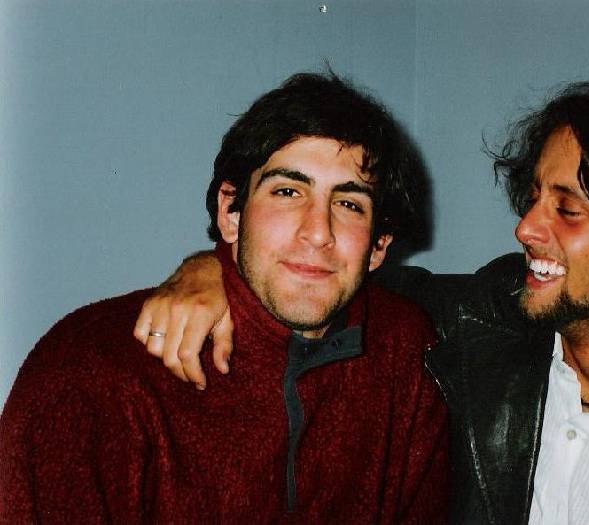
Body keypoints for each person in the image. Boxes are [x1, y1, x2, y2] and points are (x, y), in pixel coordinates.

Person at [135, 79, 589, 524]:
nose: (526, 228)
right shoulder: (473, 325)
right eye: (532, 198)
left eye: (568, 209)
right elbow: (323, 280)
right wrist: (211, 267)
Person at [0, 72, 449, 523]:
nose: (318, 232)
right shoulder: (92, 369)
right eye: (288, 191)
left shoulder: (405, 350)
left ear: (379, 245)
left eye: (349, 204)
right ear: (230, 212)